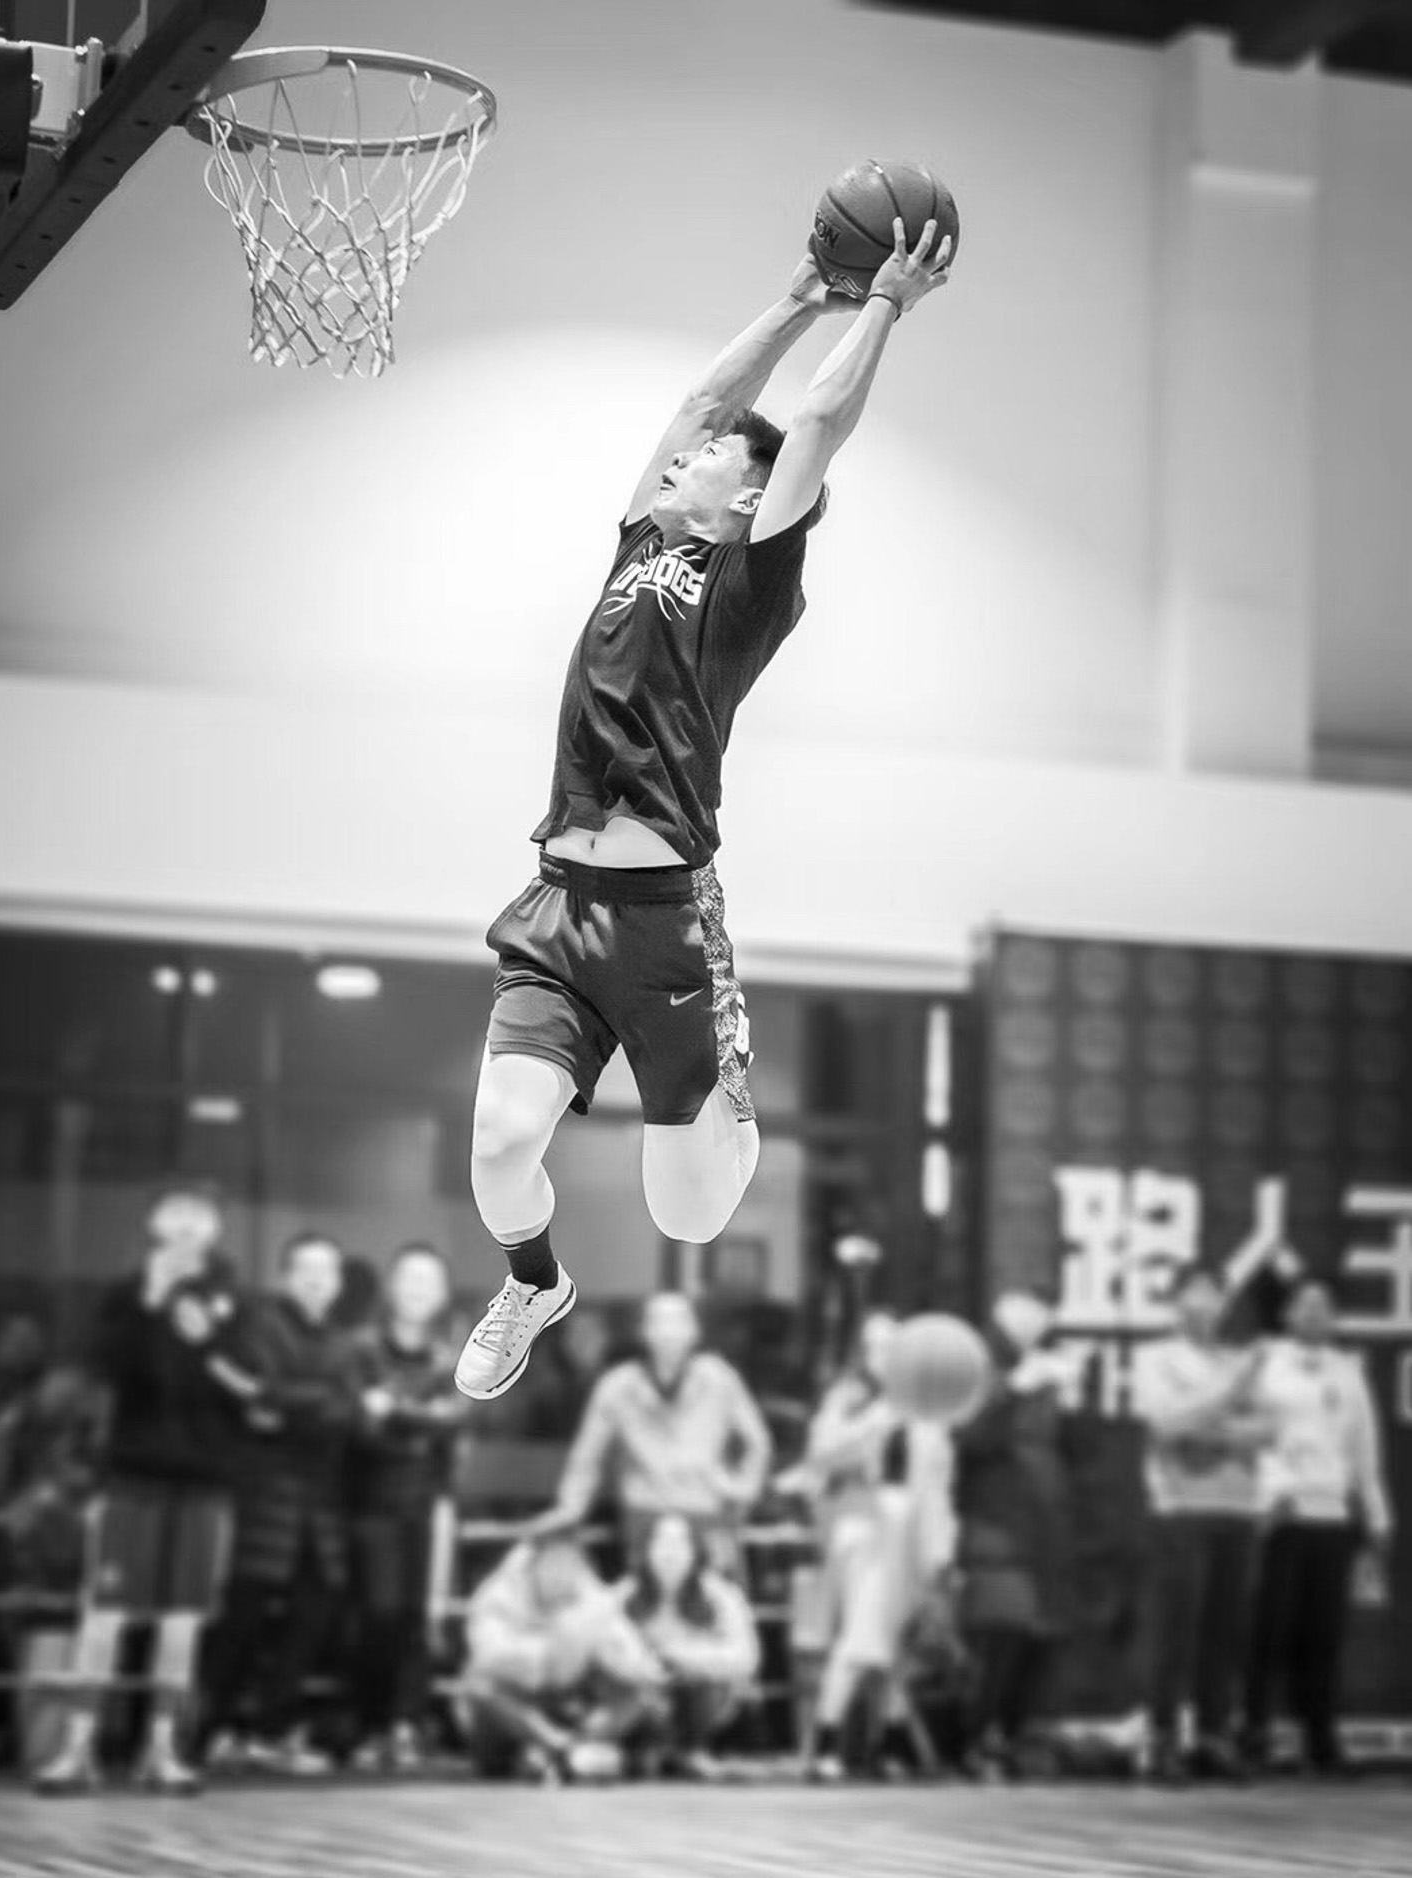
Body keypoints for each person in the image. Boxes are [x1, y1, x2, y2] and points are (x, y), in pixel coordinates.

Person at [453, 219, 955, 1401]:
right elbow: (699, 403)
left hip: (665, 922)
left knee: (686, 1217)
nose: (691, 453)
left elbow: (814, 425)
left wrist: (884, 303)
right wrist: (798, 301)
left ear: (754, 498)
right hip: (561, 907)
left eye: (719, 456)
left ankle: (728, 1084)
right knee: (501, 1145)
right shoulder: (640, 540)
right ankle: (533, 1283)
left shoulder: (746, 583)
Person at [35, 1186, 247, 1796]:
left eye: (197, 1218)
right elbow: (103, 1367)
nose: (185, 1227)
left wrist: (210, 1341)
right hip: (131, 1477)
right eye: (173, 1216)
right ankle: (77, 1748)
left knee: (183, 1622)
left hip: (203, 1482)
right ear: (154, 1225)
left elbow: (249, 1387)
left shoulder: (234, 1302)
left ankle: (162, 1748)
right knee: (103, 1614)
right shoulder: (124, 1295)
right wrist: (151, 1301)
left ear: (213, 1230)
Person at [200, 1232, 363, 1776]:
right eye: (306, 1270)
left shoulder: (344, 1344)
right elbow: (245, 1392)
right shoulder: (258, 1324)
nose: (317, 1280)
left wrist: (278, 1403)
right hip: (262, 1495)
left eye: (326, 1271)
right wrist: (306, 1402)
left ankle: (271, 1731)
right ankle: (207, 1731)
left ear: (338, 1283)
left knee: (313, 1618)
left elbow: (345, 1412)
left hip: (322, 1504)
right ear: (287, 1275)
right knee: (240, 1619)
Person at [779, 1310, 956, 1781]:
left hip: (910, 1535)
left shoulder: (924, 1407)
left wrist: (940, 1553)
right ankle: (830, 1740)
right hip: (861, 1531)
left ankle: (888, 1742)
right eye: (876, 1345)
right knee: (862, 1636)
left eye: (893, 1345)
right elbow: (820, 1454)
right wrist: (877, 1420)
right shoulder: (849, 1400)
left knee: (894, 1639)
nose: (885, 1355)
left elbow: (936, 1485)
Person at [1242, 1277, 1394, 1776]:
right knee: (1269, 1631)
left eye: (1323, 1305)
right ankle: (1255, 1734)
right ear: (1287, 1314)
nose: (1313, 1313)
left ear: (1335, 1317)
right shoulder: (1264, 1364)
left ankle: (1320, 1739)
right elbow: (1246, 1437)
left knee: (1323, 1634)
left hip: (1333, 1516)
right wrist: (1263, 1498)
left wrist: (1377, 1514)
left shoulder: (1348, 1373)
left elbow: (1365, 1449)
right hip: (1281, 1513)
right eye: (1304, 1304)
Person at [1134, 1265, 1275, 1783]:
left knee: (1224, 1630)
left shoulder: (1236, 1359)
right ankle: (1162, 1738)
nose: (1205, 1302)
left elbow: (1268, 1428)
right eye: (1193, 1291)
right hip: (1180, 1506)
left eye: (1214, 1292)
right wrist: (1229, 1395)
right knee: (1174, 1629)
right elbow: (1166, 1423)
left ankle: (1213, 1737)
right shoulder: (1157, 1358)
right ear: (1175, 1302)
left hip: (1237, 1505)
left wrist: (1211, 1432)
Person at [550, 1291, 772, 1572]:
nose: (669, 1332)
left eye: (678, 1322)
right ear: (645, 1332)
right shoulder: (618, 1385)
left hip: (707, 1509)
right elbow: (586, 1456)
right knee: (648, 1594)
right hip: (646, 1511)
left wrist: (742, 1491)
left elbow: (758, 1443)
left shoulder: (719, 1378)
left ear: (693, 1331)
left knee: (722, 1589)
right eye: (659, 1322)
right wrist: (571, 1508)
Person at [347, 1244, 465, 1771]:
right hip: (369, 1500)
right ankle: (370, 1725)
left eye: (429, 1281)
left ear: (442, 1295)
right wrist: (420, 1420)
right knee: (378, 1613)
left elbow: (454, 1422)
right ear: (392, 1287)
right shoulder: (362, 1350)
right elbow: (361, 1430)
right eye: (409, 1279)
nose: (418, 1290)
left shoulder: (450, 1360)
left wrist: (393, 1410)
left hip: (427, 1503)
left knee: (418, 1618)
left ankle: (406, 1725)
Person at [952, 1323, 1074, 1781]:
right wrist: (1014, 1393)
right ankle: (975, 1739)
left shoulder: (1046, 1398)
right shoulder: (983, 1397)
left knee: (1035, 1648)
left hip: (1044, 1542)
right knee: (999, 1643)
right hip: (996, 1540)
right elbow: (973, 1441)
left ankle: (1013, 1738)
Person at [460, 1527, 665, 1783]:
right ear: (534, 1564)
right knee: (480, 1685)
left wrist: (629, 1664)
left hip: (576, 1701)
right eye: (553, 1564)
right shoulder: (497, 1595)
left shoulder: (591, 1595)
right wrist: (552, 1648)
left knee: (642, 1693)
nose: (562, 1574)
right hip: (520, 1705)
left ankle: (573, 1749)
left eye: (570, 1564)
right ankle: (556, 1748)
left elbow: (628, 1649)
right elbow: (489, 1656)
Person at [616, 1510, 760, 1778]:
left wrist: (683, 1655)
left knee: (696, 1680)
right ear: (646, 1550)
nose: (670, 1553)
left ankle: (693, 1751)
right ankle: (652, 1750)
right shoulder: (624, 1595)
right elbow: (605, 1649)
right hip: (645, 1694)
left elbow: (747, 1658)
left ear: (695, 1552)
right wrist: (645, 1668)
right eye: (661, 1542)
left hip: (706, 1697)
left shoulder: (721, 1595)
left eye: (679, 1543)